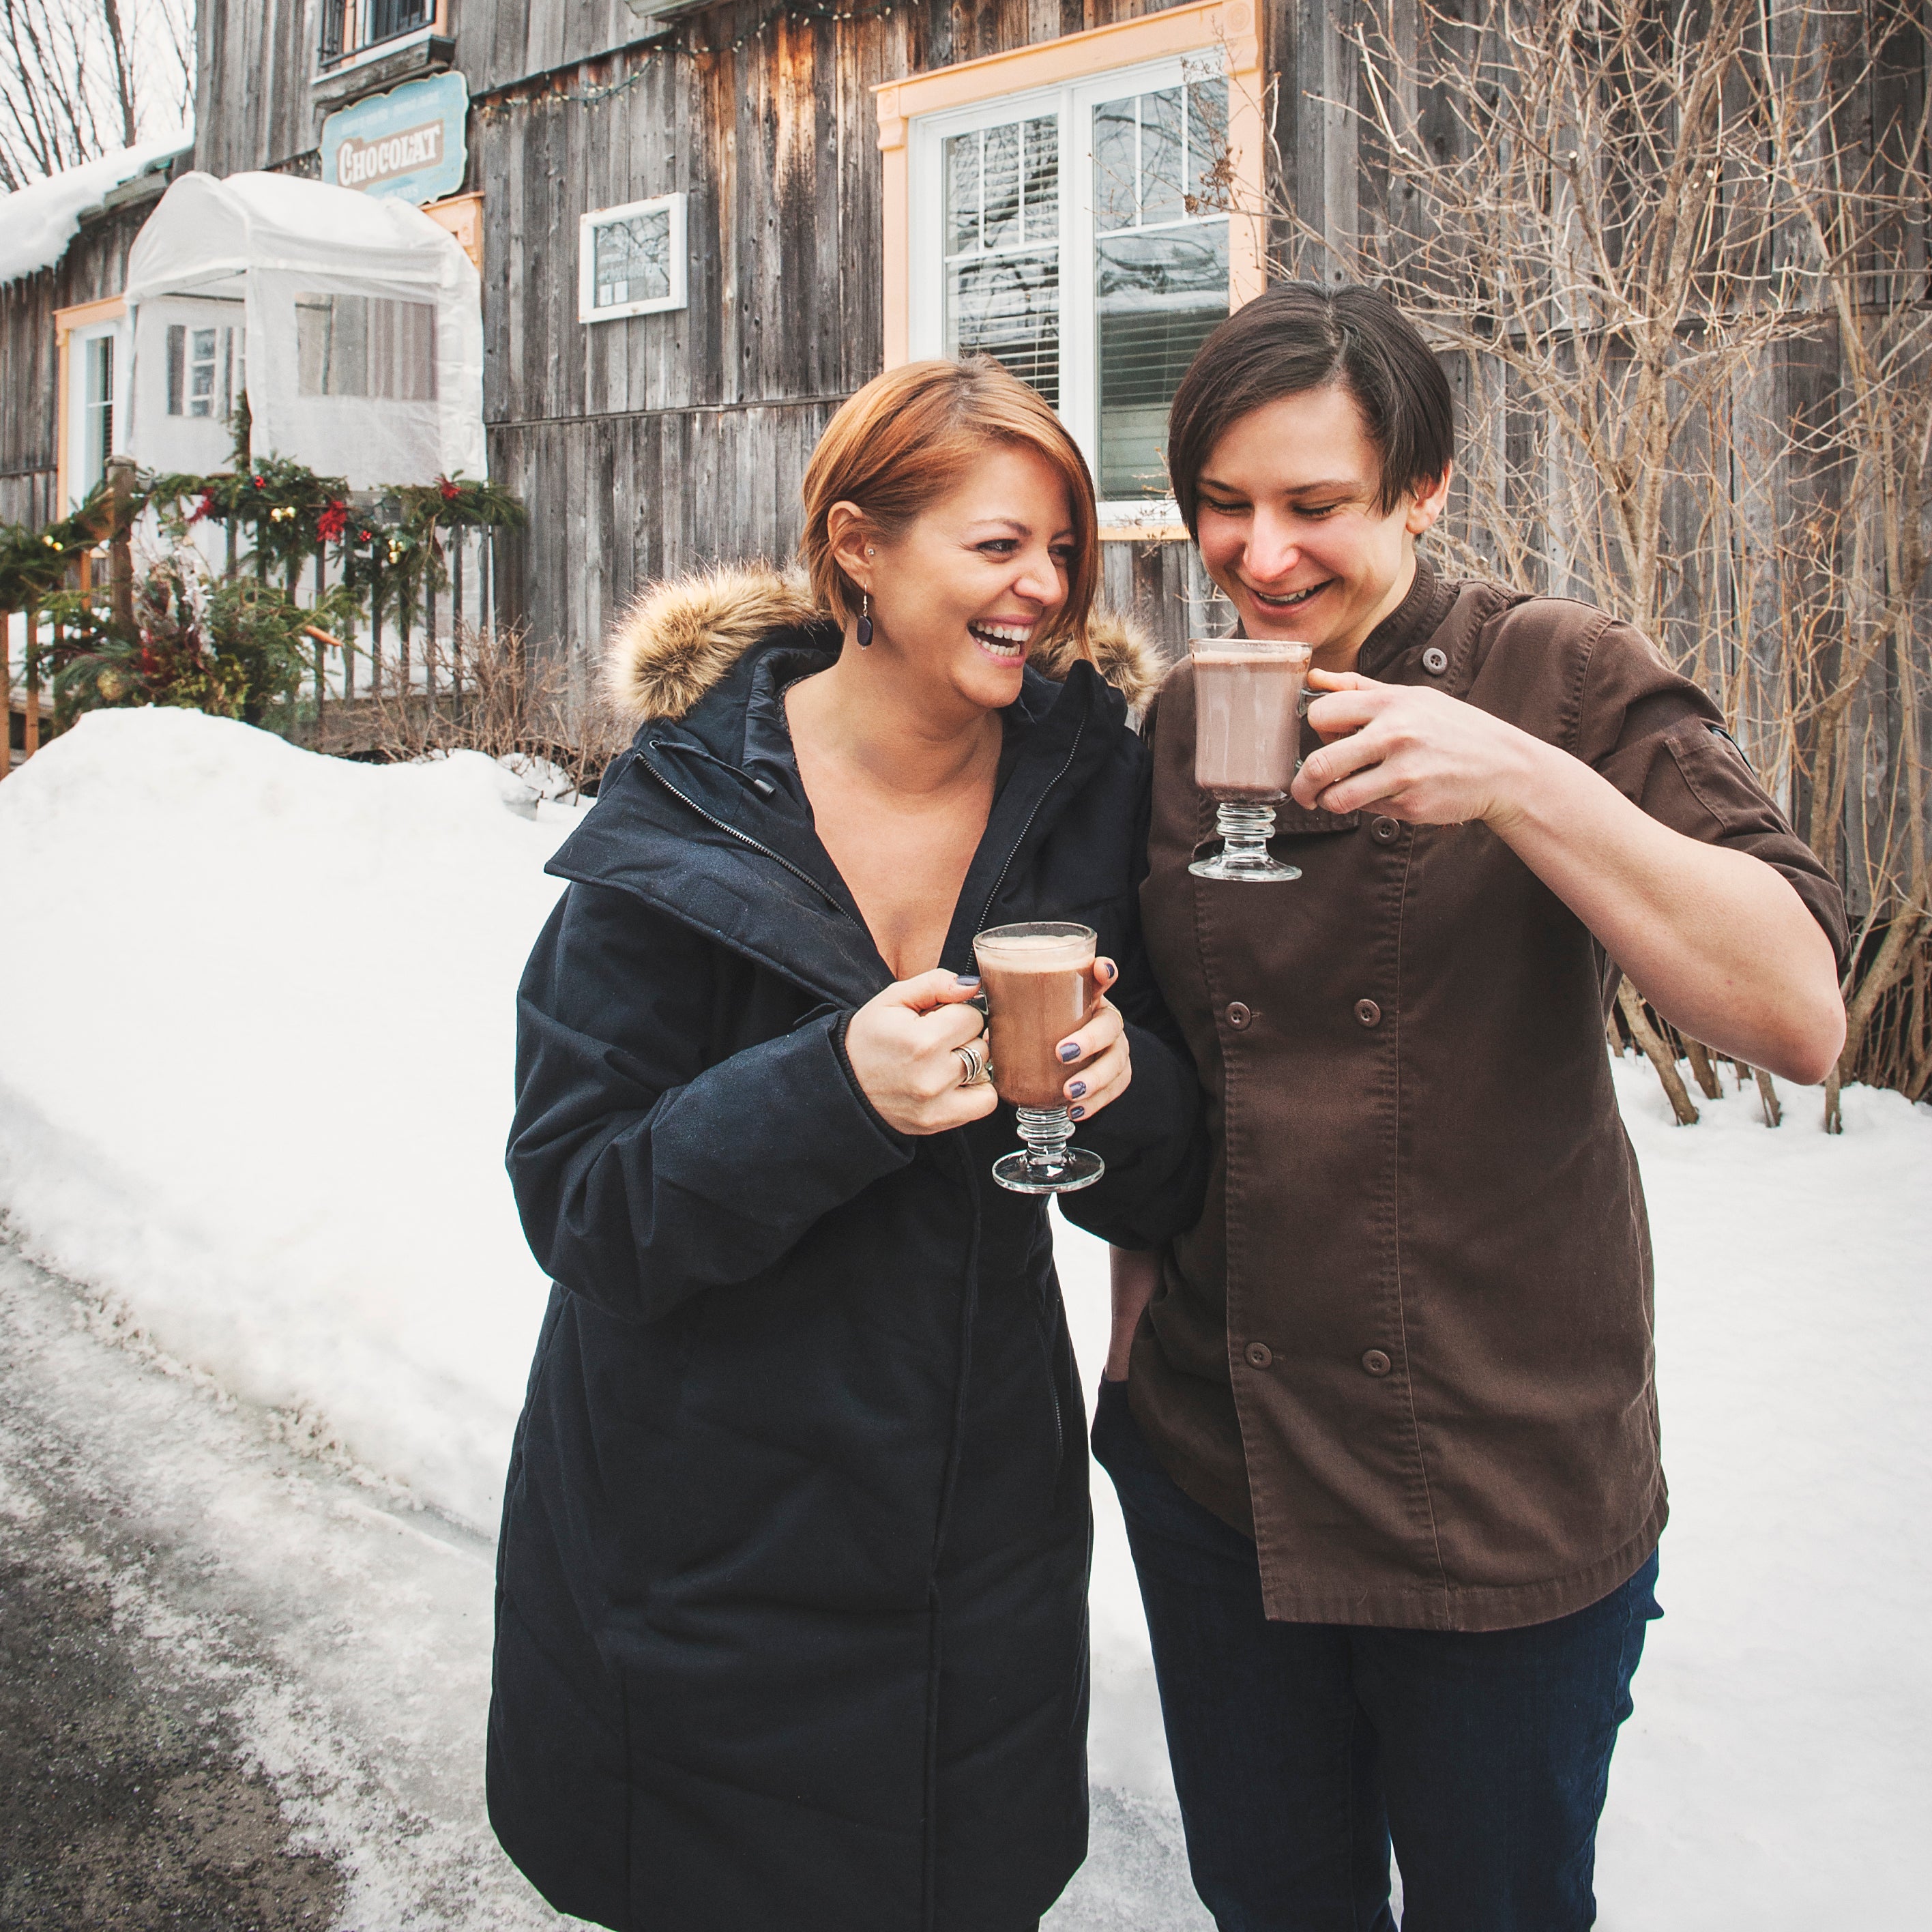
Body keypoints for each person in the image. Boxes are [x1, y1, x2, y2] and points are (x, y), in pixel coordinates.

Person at [1097, 284, 1847, 1932]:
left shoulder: (1558, 672)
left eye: (1315, 506)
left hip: (1499, 1489)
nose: (1260, 553)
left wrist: (1519, 778)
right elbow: (1171, 1066)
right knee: (1273, 1901)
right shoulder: (1183, 723)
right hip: (1227, 1480)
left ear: (1423, 491)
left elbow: (1798, 1008)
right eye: (1223, 505)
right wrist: (1131, 1341)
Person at [487, 357, 1205, 1932]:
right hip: (693, 1529)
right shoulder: (683, 812)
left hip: (968, 1518)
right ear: (860, 546)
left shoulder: (1099, 793)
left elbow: (1170, 1174)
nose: (1047, 589)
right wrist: (830, 1092)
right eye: (1000, 544)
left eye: (1066, 551)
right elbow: (583, 1201)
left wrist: (1118, 1085)